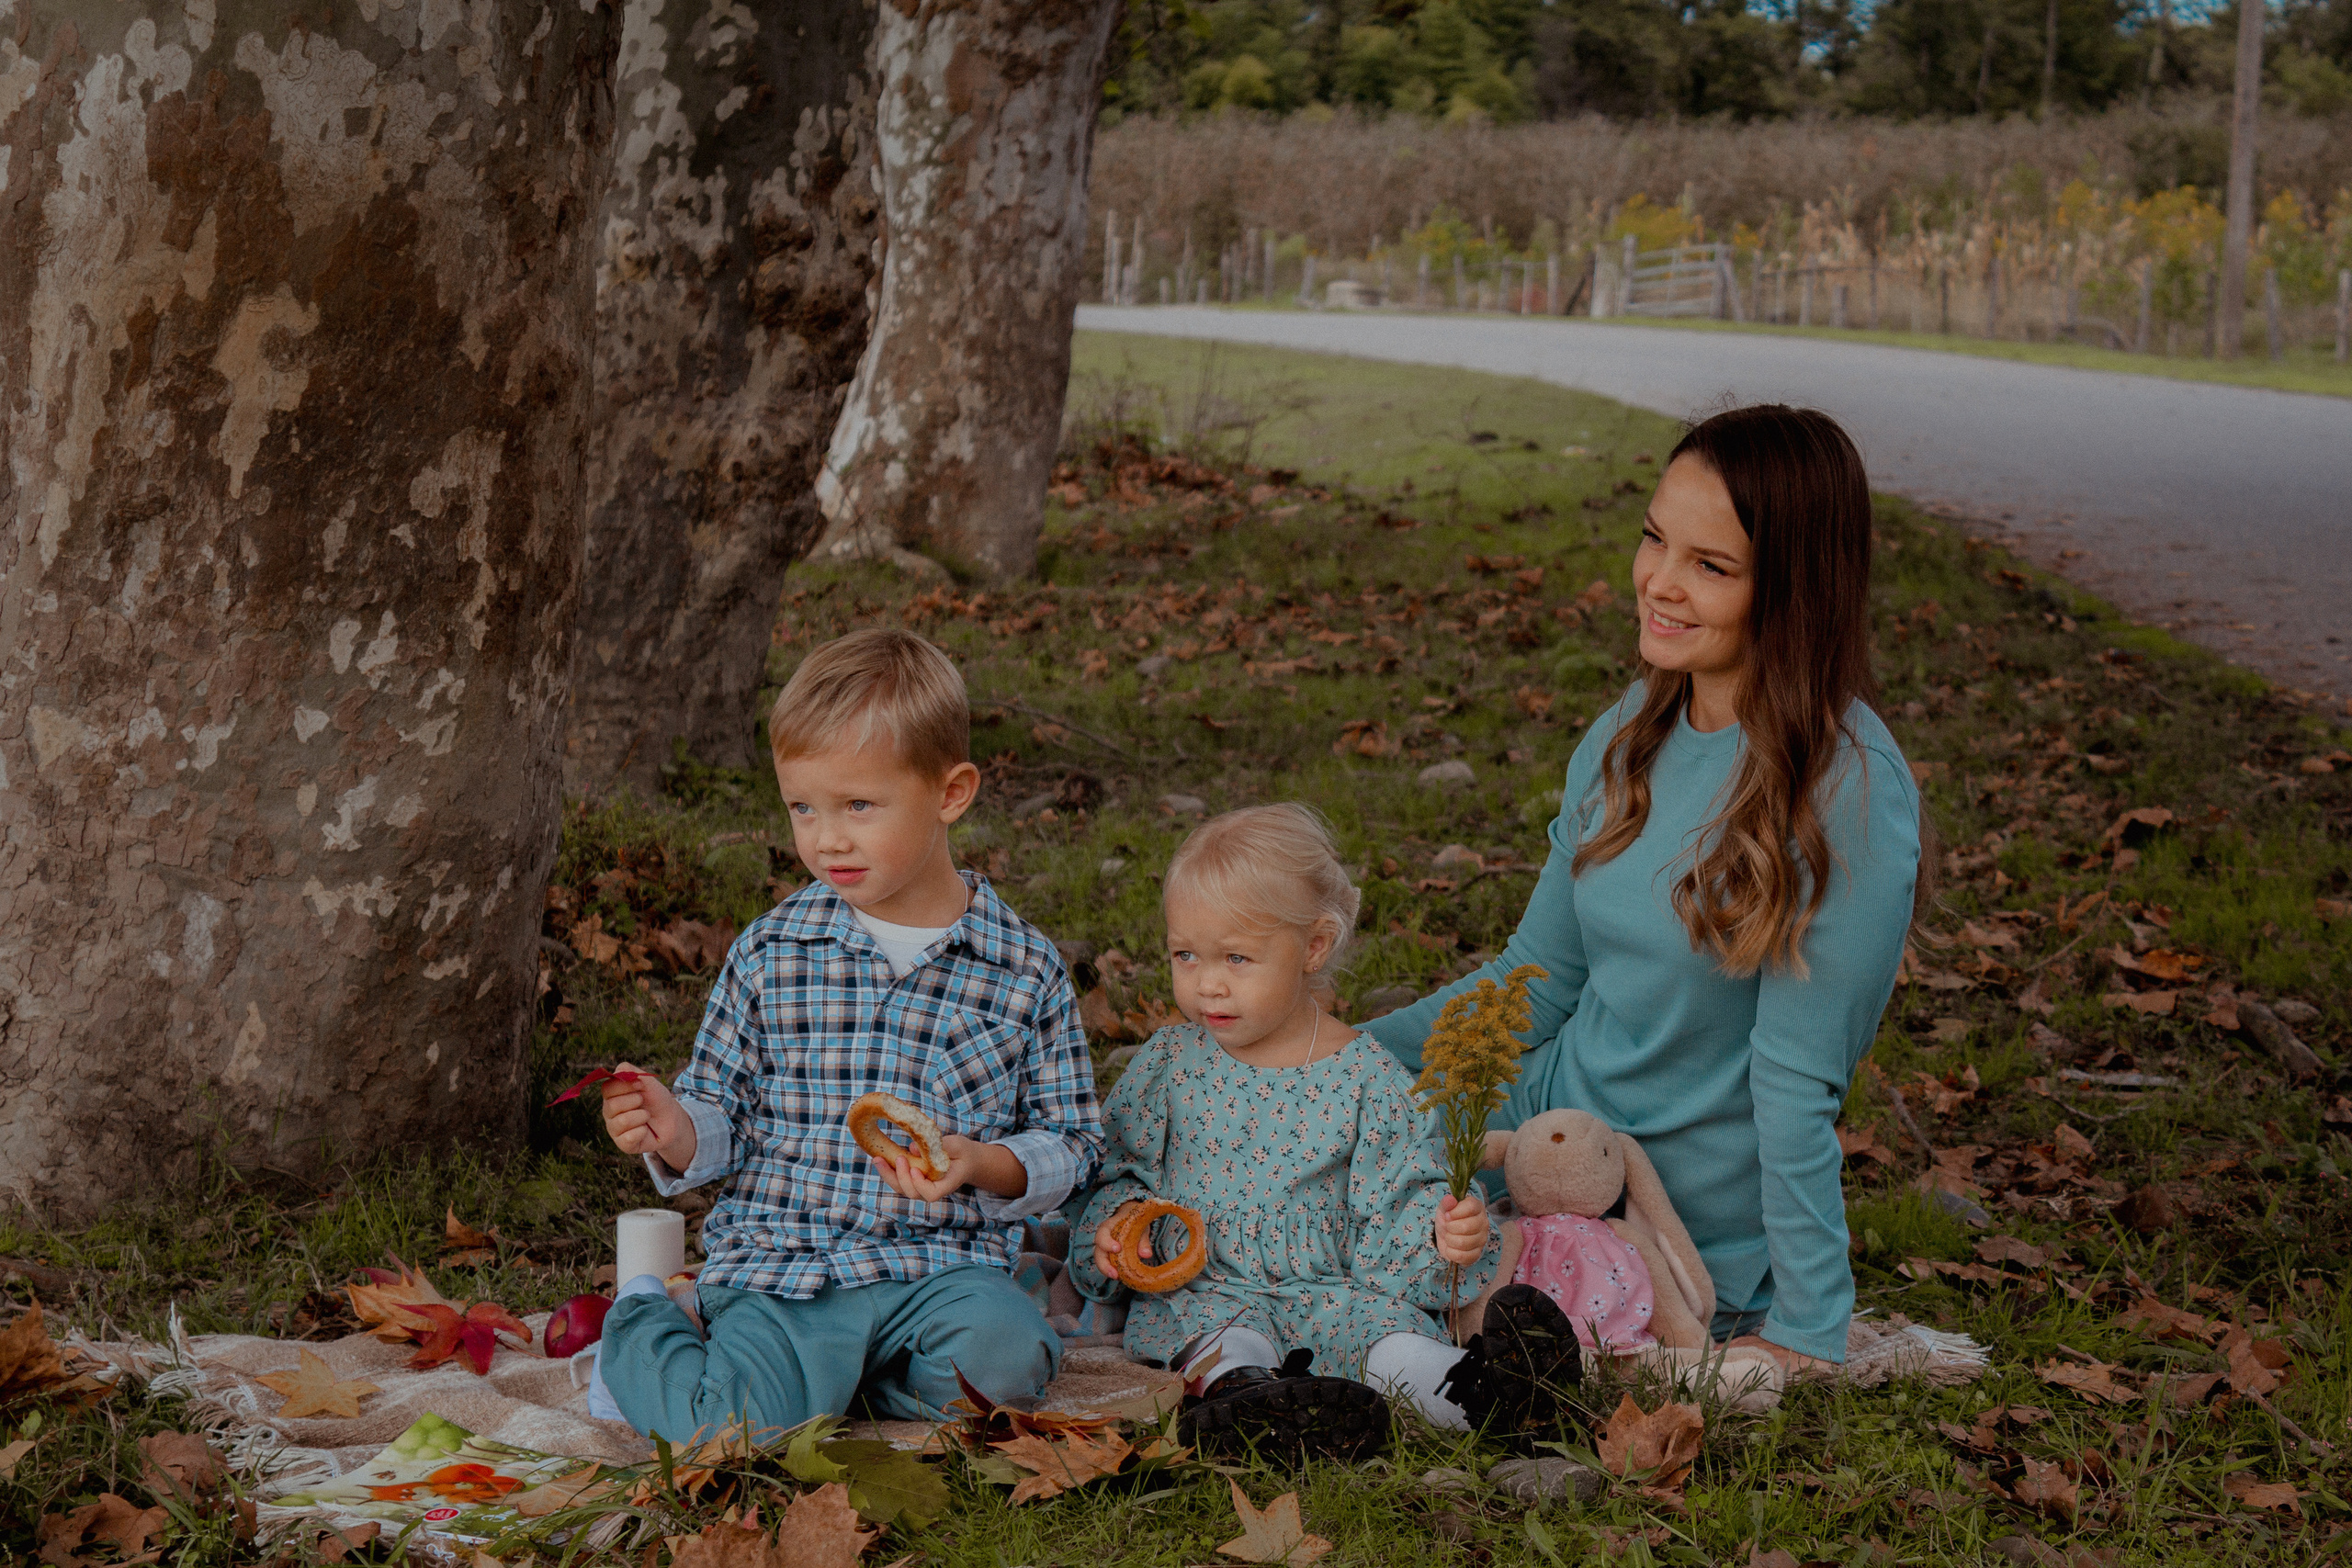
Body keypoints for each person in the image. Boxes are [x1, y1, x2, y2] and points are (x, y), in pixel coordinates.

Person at [1365, 403, 1927, 1377]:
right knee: (1270, 1125)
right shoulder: (1633, 729)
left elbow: (1797, 1088)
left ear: (1790, 589)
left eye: (1710, 566)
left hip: (1661, 1211)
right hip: (1540, 1133)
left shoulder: (1848, 794)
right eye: (1655, 539)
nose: (1659, 583)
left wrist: (1806, 1329)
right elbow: (1534, 978)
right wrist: (1339, 1058)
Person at [588, 627, 1102, 1440]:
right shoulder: (771, 951)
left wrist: (979, 1161)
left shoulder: (1022, 968)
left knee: (1006, 1367)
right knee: (732, 1431)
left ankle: (836, 1383)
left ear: (951, 791)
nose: (826, 837)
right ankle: (648, 1322)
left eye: (859, 805)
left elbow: (1073, 1142)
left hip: (942, 1268)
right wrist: (676, 1127)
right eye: (804, 807)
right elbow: (723, 1109)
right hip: (791, 1266)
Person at [1069, 805, 1582, 1459]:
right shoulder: (1170, 1064)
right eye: (1185, 954)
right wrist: (1118, 1227)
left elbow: (1398, 1202)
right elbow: (1120, 1170)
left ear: (1313, 946)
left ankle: (1493, 1395)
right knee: (1226, 1339)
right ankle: (1249, 1403)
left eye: (1236, 956)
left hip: (1336, 1288)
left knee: (1392, 1348)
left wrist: (1445, 1233)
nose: (1207, 982)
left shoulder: (1369, 1077)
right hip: (1210, 1287)